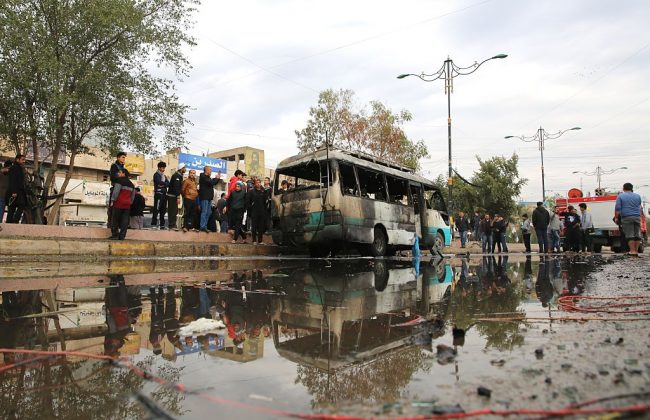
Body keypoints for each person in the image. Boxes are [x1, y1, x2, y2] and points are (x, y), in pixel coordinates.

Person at [614, 182, 643, 256]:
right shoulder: (638, 196)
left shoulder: (620, 196)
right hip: (637, 217)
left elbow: (617, 208)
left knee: (630, 235)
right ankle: (636, 251)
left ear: (623, 188)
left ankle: (632, 251)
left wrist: (616, 218)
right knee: (637, 235)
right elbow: (639, 207)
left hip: (626, 217)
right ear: (631, 188)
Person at [110, 173, 136, 240]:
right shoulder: (132, 184)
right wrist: (130, 202)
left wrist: (113, 200)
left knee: (115, 219)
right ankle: (122, 236)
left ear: (124, 174)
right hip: (127, 205)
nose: (118, 174)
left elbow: (116, 192)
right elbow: (133, 196)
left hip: (118, 203)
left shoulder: (119, 181)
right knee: (125, 221)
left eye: (120, 172)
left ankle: (115, 235)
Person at [247, 178, 269, 245]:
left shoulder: (263, 191)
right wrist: (251, 207)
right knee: (254, 226)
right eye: (257, 182)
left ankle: (260, 241)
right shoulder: (251, 191)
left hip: (261, 212)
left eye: (259, 182)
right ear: (255, 183)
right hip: (254, 211)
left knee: (261, 227)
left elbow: (266, 202)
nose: (258, 183)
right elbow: (248, 202)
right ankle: (254, 240)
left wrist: (264, 210)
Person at [6, 154, 27, 224]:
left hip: (18, 191)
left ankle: (11, 222)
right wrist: (14, 191)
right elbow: (13, 180)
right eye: (22, 159)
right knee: (20, 205)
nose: (24, 161)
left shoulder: (19, 168)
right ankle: (14, 221)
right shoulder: (14, 168)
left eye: (24, 160)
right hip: (15, 191)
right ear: (17, 160)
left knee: (13, 207)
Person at [198, 165, 220, 232]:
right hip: (204, 197)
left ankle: (205, 226)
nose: (211, 171)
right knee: (204, 212)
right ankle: (202, 226)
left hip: (209, 198)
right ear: (206, 170)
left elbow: (213, 183)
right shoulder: (203, 177)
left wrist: (217, 178)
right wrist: (216, 178)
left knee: (209, 212)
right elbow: (211, 182)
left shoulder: (208, 177)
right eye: (210, 170)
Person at [166, 163, 186, 231]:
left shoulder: (179, 175)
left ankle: (173, 224)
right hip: (172, 196)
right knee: (172, 211)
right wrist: (178, 197)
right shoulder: (176, 176)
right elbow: (176, 187)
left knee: (174, 211)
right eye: (184, 168)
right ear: (181, 168)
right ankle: (172, 225)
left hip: (174, 196)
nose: (185, 169)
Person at [151, 161, 169, 229]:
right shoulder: (156, 175)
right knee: (156, 209)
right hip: (158, 194)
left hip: (164, 194)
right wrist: (164, 184)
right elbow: (158, 182)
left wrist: (163, 184)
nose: (163, 169)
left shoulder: (164, 176)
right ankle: (154, 224)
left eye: (164, 168)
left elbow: (168, 183)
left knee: (163, 210)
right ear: (159, 167)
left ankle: (162, 225)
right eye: (162, 168)